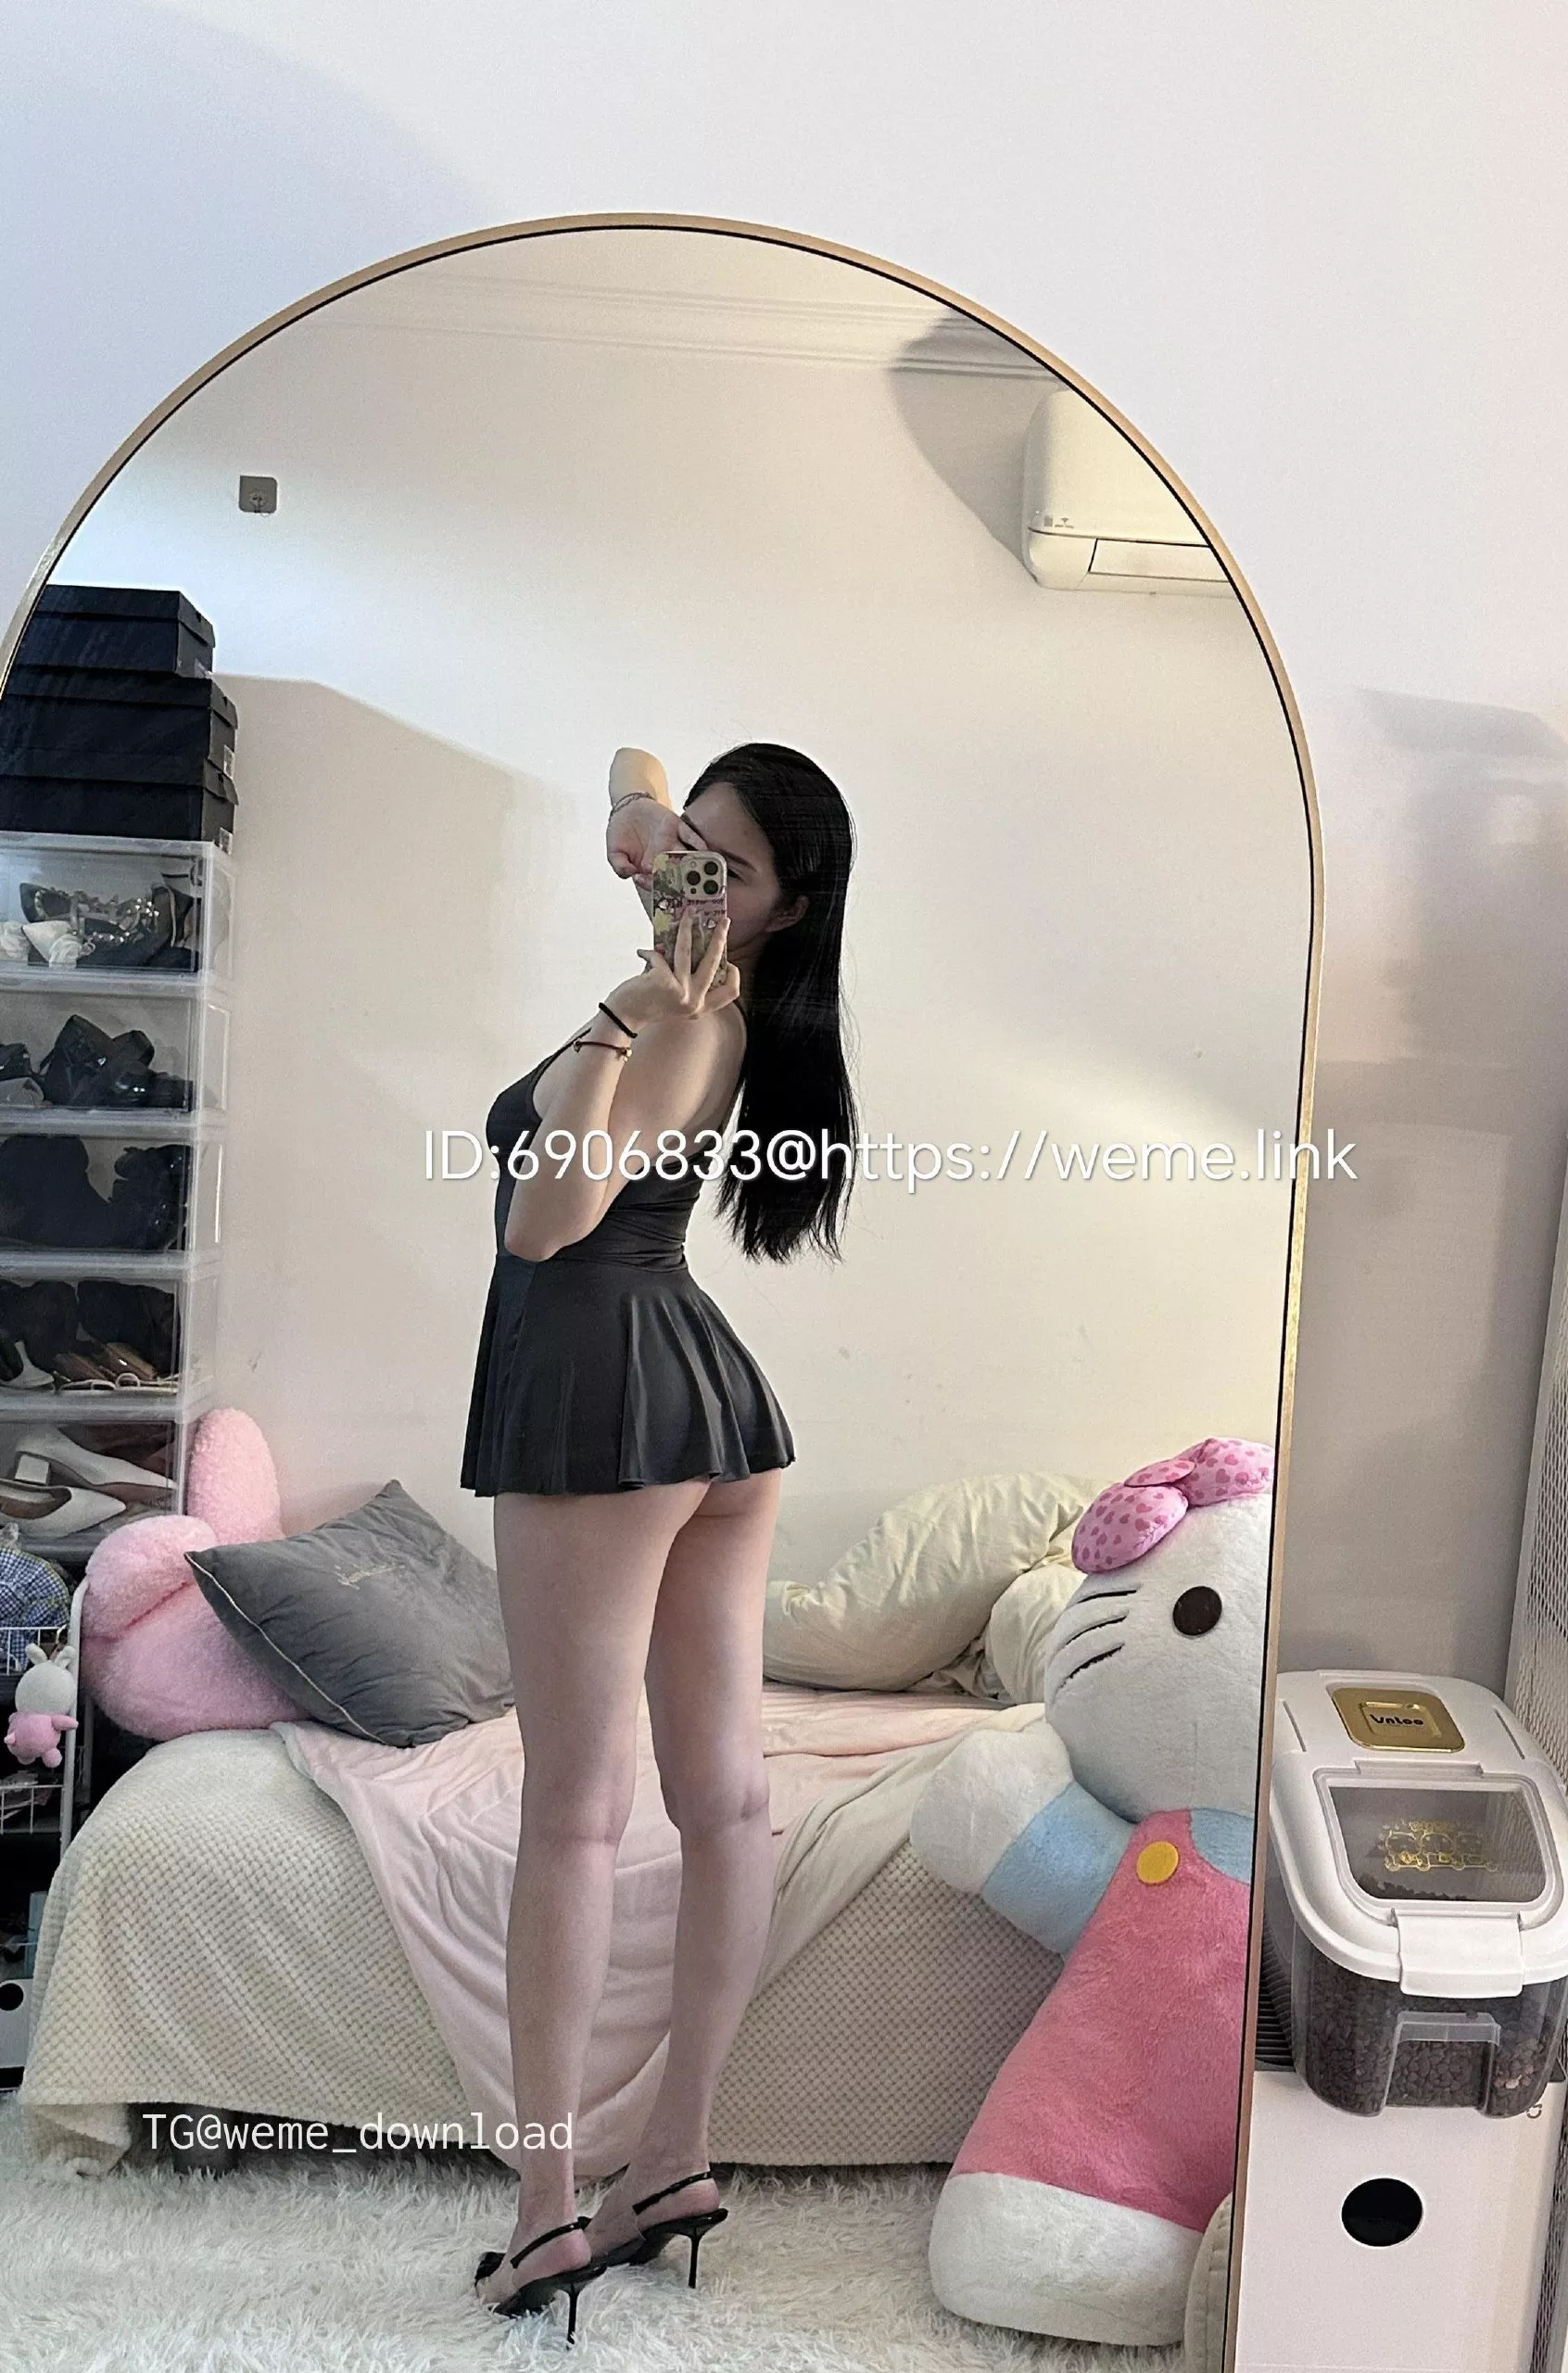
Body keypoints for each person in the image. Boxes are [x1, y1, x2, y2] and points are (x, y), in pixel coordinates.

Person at [464, 742, 857, 2325]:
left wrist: (624, 1010)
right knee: (724, 1796)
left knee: (575, 1813)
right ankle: (675, 2161)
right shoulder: (715, 969)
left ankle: (546, 2209)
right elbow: (628, 769)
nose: (692, 876)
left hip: (603, 1396)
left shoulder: (689, 1015)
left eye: (729, 871)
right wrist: (648, 824)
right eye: (691, 843)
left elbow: (544, 1221)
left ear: (786, 910)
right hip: (702, 1396)